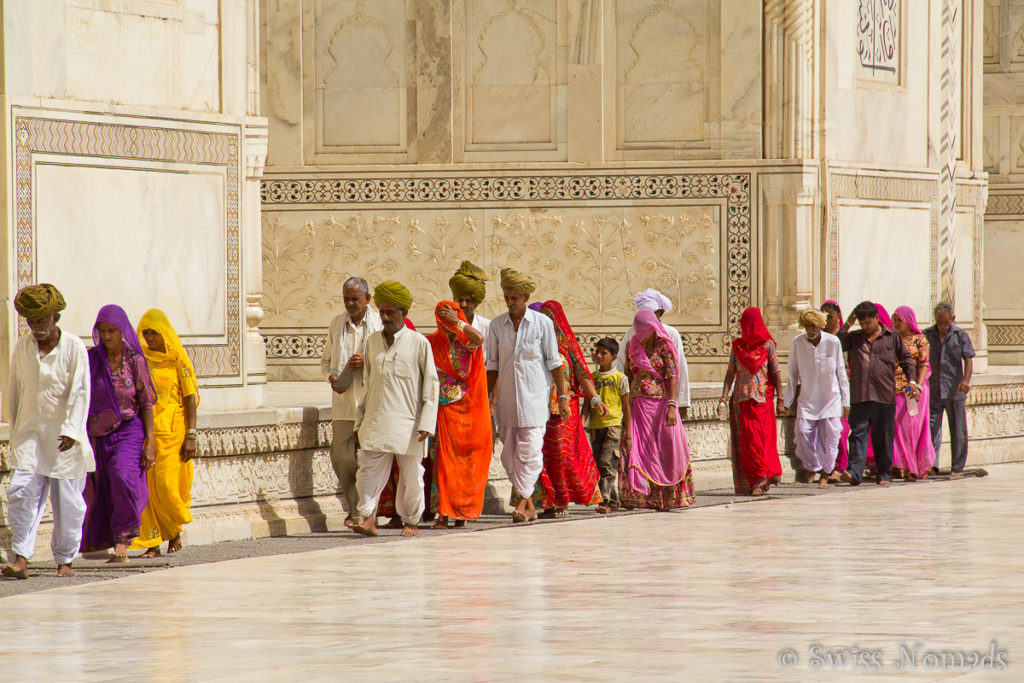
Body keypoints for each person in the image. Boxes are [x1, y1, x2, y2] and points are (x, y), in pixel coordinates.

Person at [2, 285, 92, 580]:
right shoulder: (23, 347)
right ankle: (21, 558)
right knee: (20, 493)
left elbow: (80, 393)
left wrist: (71, 430)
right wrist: (16, 435)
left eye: (41, 321)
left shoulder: (74, 348)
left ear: (55, 316)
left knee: (68, 503)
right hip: (30, 435)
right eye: (31, 322)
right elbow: (15, 393)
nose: (36, 327)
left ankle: (65, 559)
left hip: (65, 439)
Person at [352, 282, 439, 538]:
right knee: (367, 472)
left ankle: (411, 520)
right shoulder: (372, 342)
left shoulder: (419, 343)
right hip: (376, 420)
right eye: (382, 312)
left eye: (391, 313)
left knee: (412, 476)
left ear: (404, 314)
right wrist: (359, 422)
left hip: (409, 424)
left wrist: (426, 423)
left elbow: (431, 386)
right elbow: (367, 385)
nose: (386, 318)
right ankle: (367, 518)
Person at [485, 268, 566, 524]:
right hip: (506, 404)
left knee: (529, 454)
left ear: (526, 296)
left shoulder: (542, 324)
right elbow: (493, 366)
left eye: (514, 298)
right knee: (508, 457)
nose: (510, 303)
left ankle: (521, 503)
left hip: (534, 402)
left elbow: (554, 363)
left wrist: (562, 396)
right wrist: (490, 399)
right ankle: (530, 505)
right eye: (506, 298)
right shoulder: (497, 325)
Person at [82, 305, 157, 562]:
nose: (107, 336)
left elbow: (146, 403)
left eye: (112, 331)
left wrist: (150, 442)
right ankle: (108, 539)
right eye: (102, 331)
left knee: (123, 476)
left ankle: (122, 539)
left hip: (129, 429)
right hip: (98, 433)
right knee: (102, 485)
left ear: (122, 331)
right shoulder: (92, 360)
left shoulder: (134, 360)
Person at [526, 300, 607, 518]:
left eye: (549, 318)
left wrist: (595, 399)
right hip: (538, 408)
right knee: (541, 455)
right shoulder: (533, 345)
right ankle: (547, 502)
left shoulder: (565, 349)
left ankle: (562, 501)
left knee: (561, 455)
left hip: (564, 411)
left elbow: (581, 374)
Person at [129, 309, 199, 557]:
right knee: (146, 488)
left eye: (154, 333)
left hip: (173, 431)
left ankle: (174, 530)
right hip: (147, 430)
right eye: (146, 333)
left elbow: (190, 397)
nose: (150, 338)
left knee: (166, 486)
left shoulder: (178, 359)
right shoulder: (139, 360)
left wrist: (191, 435)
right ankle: (152, 542)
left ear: (164, 333)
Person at [321, 276, 382, 528]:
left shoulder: (379, 323)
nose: (350, 303)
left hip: (371, 402)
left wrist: (365, 363)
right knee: (341, 456)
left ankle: (363, 515)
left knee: (368, 460)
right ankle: (357, 507)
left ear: (367, 299)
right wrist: (331, 376)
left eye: (355, 298)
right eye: (346, 298)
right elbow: (325, 362)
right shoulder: (337, 324)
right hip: (344, 401)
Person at [836, 301, 918, 486]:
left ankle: (884, 473)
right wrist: (848, 324)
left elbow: (905, 358)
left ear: (876, 318)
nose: (864, 327)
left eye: (868, 323)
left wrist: (911, 380)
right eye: (861, 323)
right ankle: (854, 472)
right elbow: (837, 343)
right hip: (860, 395)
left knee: (883, 436)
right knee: (857, 435)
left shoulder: (892, 336)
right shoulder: (855, 337)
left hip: (883, 396)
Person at [425, 301, 491, 529]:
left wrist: (457, 323)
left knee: (465, 463)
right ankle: (443, 514)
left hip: (467, 410)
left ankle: (462, 512)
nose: (445, 325)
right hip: (442, 410)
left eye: (448, 319)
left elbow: (479, 339)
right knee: (442, 463)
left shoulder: (466, 342)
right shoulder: (431, 342)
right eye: (441, 320)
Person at [621, 310, 694, 510]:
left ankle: (668, 498)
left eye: (645, 329)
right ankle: (642, 497)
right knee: (639, 449)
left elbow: (672, 375)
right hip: (638, 407)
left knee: (666, 449)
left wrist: (673, 405)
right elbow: (628, 374)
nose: (641, 333)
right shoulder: (632, 345)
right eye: (638, 329)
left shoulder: (663, 346)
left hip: (661, 405)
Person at [782, 309, 850, 489]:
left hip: (831, 400)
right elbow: (792, 375)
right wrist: (786, 401)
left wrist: (846, 401)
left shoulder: (833, 342)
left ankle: (825, 474)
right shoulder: (798, 343)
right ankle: (814, 466)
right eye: (807, 326)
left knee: (832, 437)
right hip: (808, 400)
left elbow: (841, 373)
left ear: (820, 325)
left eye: (813, 325)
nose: (810, 329)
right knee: (803, 433)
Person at [720, 308, 784, 495]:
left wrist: (780, 399)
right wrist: (724, 396)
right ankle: (756, 480)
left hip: (762, 400)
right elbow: (730, 372)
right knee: (749, 442)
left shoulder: (767, 345)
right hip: (741, 400)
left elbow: (776, 373)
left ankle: (764, 477)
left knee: (763, 440)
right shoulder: (737, 346)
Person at [614, 288, 690, 418]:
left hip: (663, 399)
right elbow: (621, 363)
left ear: (660, 312)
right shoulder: (631, 332)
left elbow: (679, 368)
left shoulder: (671, 334)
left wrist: (682, 402)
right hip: (638, 400)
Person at [924, 301, 975, 478]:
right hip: (934, 389)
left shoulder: (960, 335)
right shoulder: (927, 334)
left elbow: (968, 358)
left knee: (958, 429)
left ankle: (957, 466)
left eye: (945, 323)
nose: (942, 327)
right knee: (931, 428)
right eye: (939, 323)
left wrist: (966, 379)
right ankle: (930, 464)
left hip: (954, 389)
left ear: (952, 319)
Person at [890, 306, 934, 481]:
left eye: (899, 320)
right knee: (896, 429)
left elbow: (923, 364)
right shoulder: (892, 339)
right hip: (894, 390)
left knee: (912, 429)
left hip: (913, 391)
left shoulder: (920, 340)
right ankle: (900, 465)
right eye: (894, 319)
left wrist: (918, 386)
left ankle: (914, 467)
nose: (895, 323)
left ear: (908, 321)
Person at [588, 337, 630, 514]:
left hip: (613, 426)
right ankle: (613, 501)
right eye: (597, 351)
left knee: (608, 462)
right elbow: (586, 404)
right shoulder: (592, 378)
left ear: (613, 356)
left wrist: (628, 432)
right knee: (600, 465)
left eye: (603, 353)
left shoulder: (620, 378)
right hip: (595, 426)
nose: (598, 355)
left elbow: (626, 406)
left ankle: (604, 500)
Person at [821, 300, 850, 477]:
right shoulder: (816, 339)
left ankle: (840, 466)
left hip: (840, 391)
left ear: (837, 317)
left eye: (829, 317)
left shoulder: (844, 339)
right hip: (823, 392)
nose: (826, 320)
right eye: (822, 316)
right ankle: (827, 468)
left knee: (840, 431)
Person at [448, 260, 491, 351]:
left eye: (468, 301)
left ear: (476, 303)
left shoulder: (488, 327)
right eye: (460, 300)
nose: (463, 305)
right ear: (454, 300)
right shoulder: (447, 325)